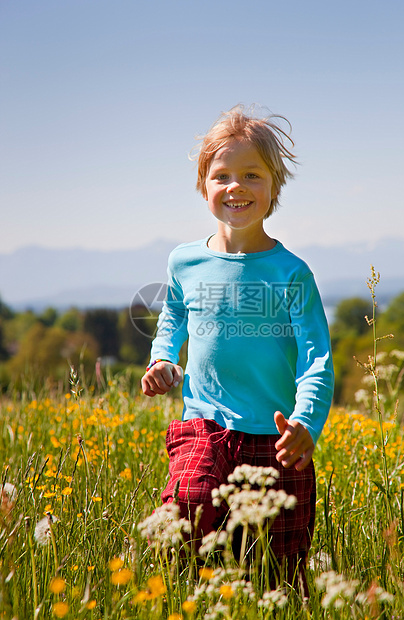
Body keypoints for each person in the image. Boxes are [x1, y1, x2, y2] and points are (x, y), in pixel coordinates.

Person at [141, 105, 334, 589]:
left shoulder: (292, 273)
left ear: (274, 187)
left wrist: (306, 424)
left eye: (252, 174)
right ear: (204, 185)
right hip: (203, 424)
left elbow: (317, 358)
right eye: (222, 175)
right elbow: (175, 316)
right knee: (184, 517)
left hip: (276, 436)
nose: (236, 186)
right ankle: (189, 599)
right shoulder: (184, 261)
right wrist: (163, 358)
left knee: (280, 573)